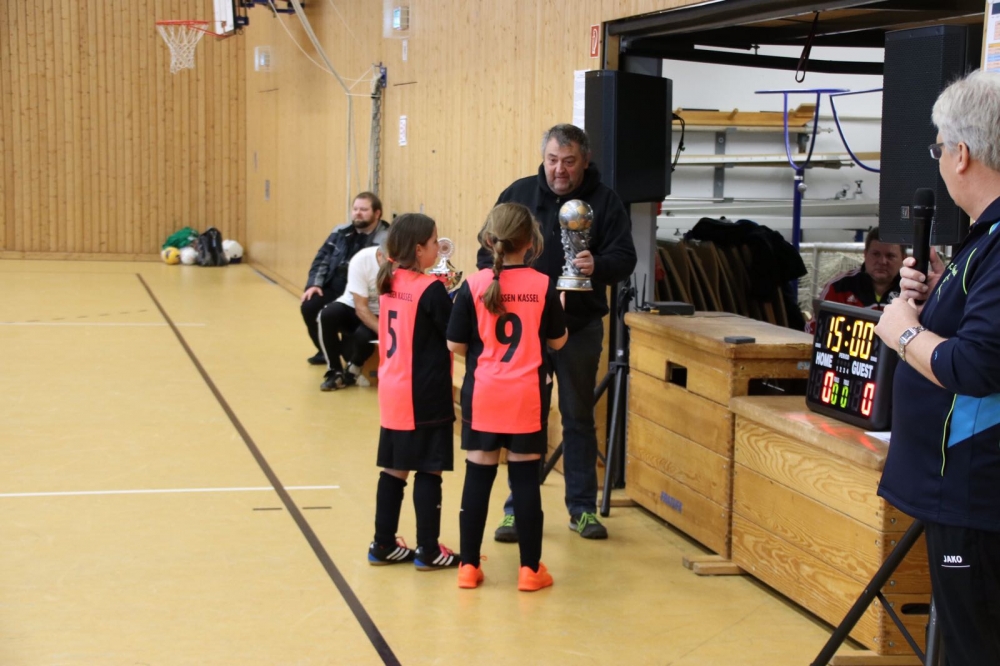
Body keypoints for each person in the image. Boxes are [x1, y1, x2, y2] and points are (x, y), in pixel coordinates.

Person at [874, 70, 1000, 664]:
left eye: (939, 148)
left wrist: (904, 332)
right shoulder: (982, 241)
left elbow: (976, 364)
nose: (941, 160)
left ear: (962, 154)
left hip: (974, 492)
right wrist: (937, 294)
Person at [480, 124, 637, 541]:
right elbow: (485, 251)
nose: (559, 170)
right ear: (543, 158)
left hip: (578, 328)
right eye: (552, 160)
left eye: (568, 162)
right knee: (523, 420)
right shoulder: (518, 193)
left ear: (585, 160)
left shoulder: (606, 201)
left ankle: (582, 509)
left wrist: (598, 265)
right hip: (524, 331)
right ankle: (516, 509)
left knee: (577, 416)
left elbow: (625, 257)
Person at [448, 204, 568, 591]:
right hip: (526, 396)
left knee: (477, 477)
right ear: (531, 243)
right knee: (525, 481)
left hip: (484, 393)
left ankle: (468, 566)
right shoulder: (543, 285)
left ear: (489, 241)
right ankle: (530, 570)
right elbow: (558, 342)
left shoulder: (473, 285)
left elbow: (455, 345)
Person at [367, 213, 459, 571]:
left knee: (395, 468)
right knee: (429, 469)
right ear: (419, 249)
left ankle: (383, 544)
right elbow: (454, 332)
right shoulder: (429, 289)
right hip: (424, 392)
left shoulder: (389, 280)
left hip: (393, 388)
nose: (438, 247)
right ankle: (429, 550)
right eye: (434, 242)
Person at [301, 193, 389, 365]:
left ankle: (345, 349)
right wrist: (314, 284)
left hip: (362, 294)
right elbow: (322, 258)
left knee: (350, 352)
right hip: (335, 286)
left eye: (363, 209)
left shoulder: (386, 238)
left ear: (377, 213)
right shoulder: (339, 231)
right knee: (310, 305)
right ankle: (325, 351)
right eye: (355, 209)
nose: (357, 213)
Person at [807, 227, 904, 334]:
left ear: (903, 258)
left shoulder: (913, 292)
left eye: (890, 256)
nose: (882, 261)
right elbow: (813, 330)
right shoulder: (839, 286)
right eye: (876, 254)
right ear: (865, 254)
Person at [317, 244, 383, 391]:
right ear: (380, 254)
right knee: (327, 315)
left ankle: (353, 369)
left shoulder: (404, 264)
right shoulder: (362, 259)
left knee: (363, 337)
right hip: (355, 306)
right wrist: (384, 333)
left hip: (382, 313)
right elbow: (361, 308)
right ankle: (334, 371)